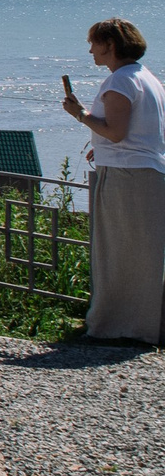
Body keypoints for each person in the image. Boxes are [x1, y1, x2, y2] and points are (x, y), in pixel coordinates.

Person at [65, 17, 165, 344]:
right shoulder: (146, 78)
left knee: (118, 254)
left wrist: (80, 114)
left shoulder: (119, 82)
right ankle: (144, 326)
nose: (90, 49)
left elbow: (117, 132)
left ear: (110, 45)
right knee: (144, 255)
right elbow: (139, 132)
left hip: (127, 176)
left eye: (94, 42)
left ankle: (114, 326)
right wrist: (102, 147)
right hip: (147, 172)